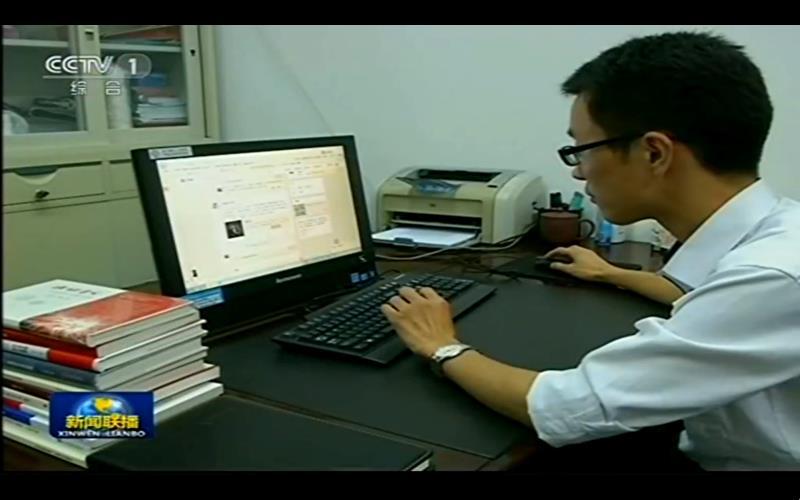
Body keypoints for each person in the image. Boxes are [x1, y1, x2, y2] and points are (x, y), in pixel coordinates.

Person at [380, 31, 800, 471]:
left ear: (654, 153)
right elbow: (706, 297)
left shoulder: (771, 276)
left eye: (581, 150)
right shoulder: (775, 231)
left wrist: (441, 346)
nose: (578, 172)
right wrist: (611, 273)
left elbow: (563, 408)